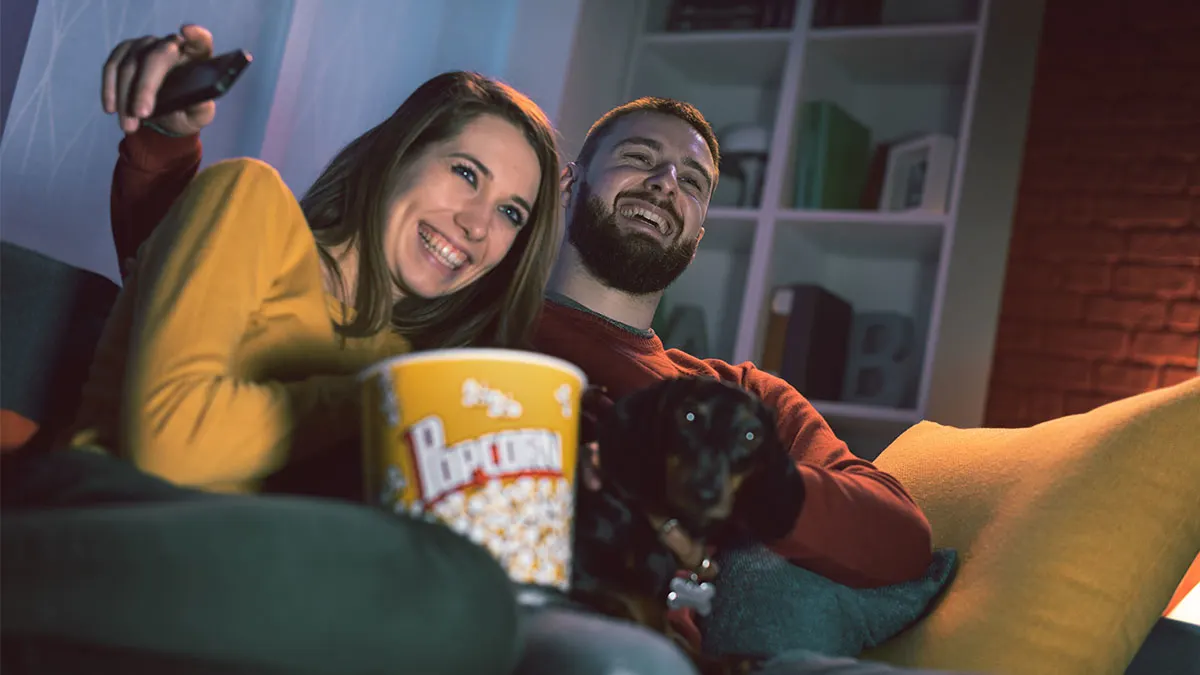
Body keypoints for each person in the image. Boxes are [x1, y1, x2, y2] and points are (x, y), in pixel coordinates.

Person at [98, 26, 966, 675]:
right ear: (568, 188)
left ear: (702, 227)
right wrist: (167, 139)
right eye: (640, 159)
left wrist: (722, 487)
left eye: (694, 182)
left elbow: (899, 539)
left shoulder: (742, 400)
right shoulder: (459, 315)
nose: (668, 183)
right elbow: (233, 296)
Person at [2, 25, 702, 675]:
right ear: (399, 153)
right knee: (462, 597)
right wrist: (383, 392)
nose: (476, 223)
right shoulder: (252, 201)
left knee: (478, 599)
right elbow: (174, 446)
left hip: (246, 591)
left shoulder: (411, 358)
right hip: (103, 515)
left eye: (512, 213)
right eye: (466, 173)